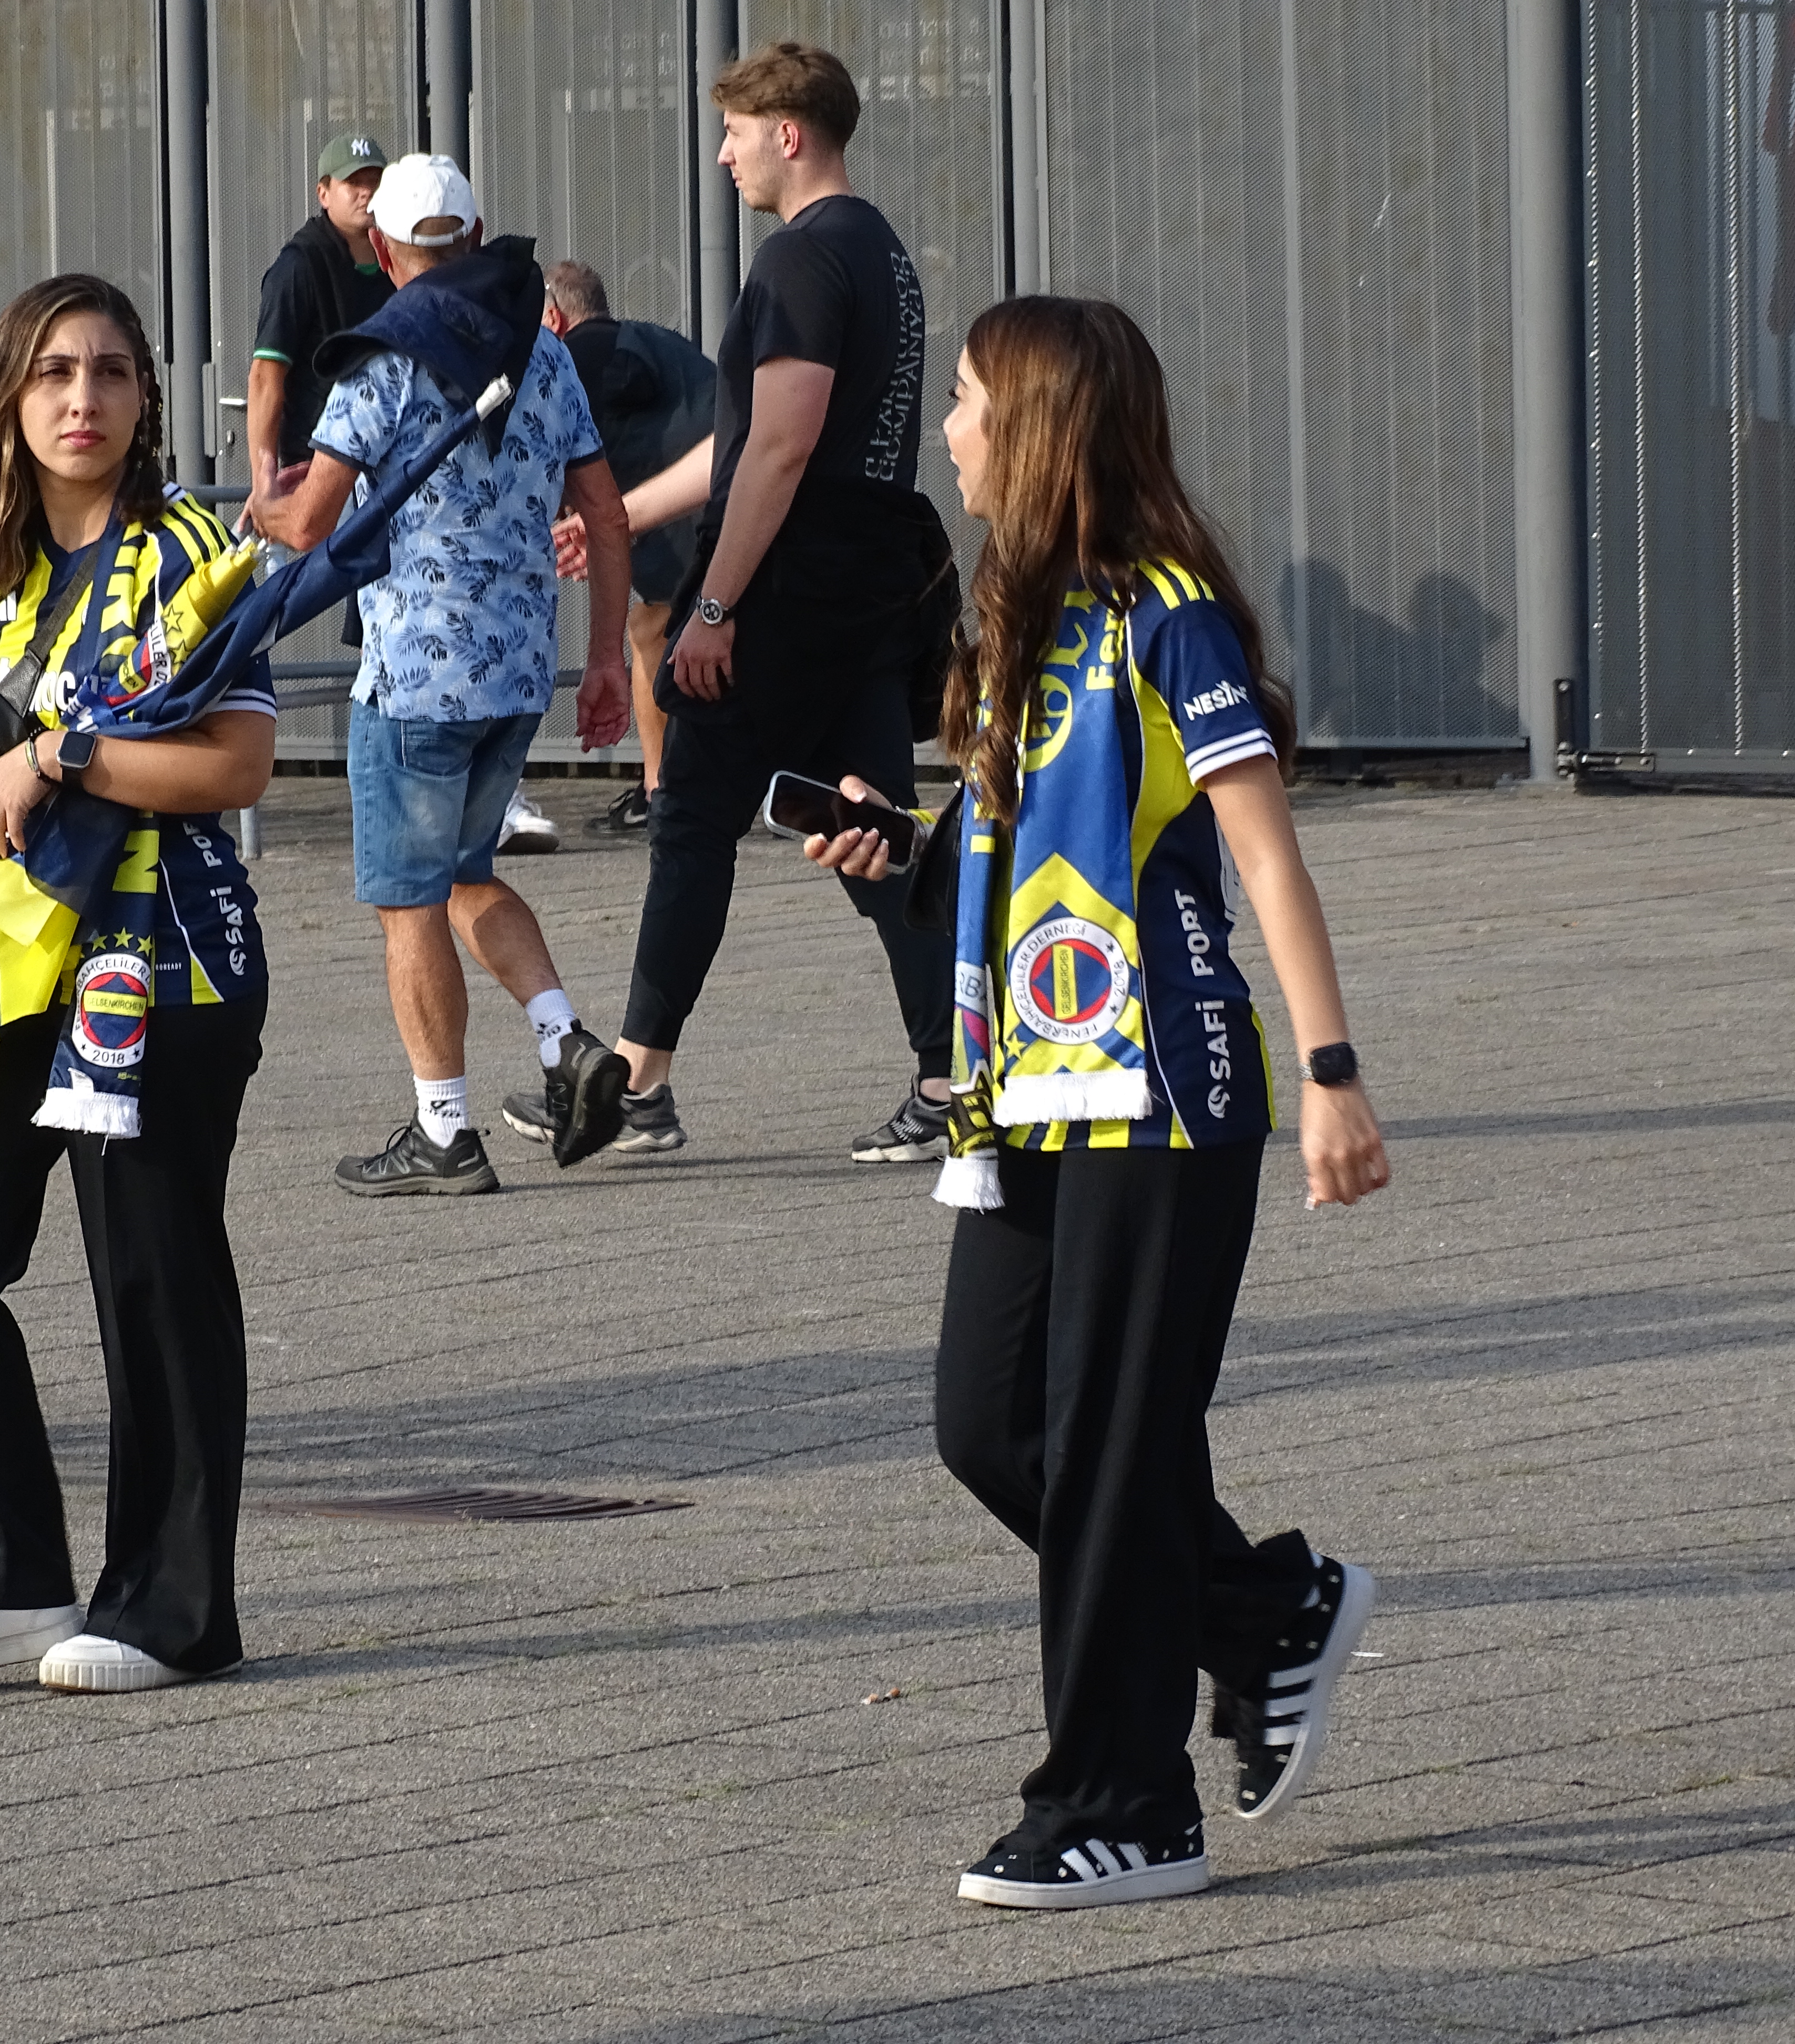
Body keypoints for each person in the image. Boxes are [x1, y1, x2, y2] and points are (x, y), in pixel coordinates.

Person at [804, 295, 1389, 1908]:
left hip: (1162, 1087)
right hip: (1028, 1093)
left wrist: (1335, 1078)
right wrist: (901, 843)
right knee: (992, 1425)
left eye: (975, 403)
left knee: (1118, 1448)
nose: (951, 432)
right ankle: (1261, 1613)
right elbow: (1028, 853)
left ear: (1047, 425)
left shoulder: (1166, 613)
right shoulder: (1017, 618)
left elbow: (1263, 850)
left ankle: (1124, 1805)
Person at [0, 274, 277, 1696]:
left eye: (107, 372)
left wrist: (74, 757)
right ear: (8, 406)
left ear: (146, 398)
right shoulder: (0, 572)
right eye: (50, 375)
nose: (80, 399)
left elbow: (234, 767)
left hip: (154, 966)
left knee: (149, 1277)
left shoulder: (193, 553)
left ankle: (171, 1608)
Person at [569, 45, 960, 1163]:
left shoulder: (797, 262)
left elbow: (779, 454)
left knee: (693, 814)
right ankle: (951, 1074)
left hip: (792, 587)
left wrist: (714, 610)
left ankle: (639, 1085)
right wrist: (624, 517)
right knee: (870, 823)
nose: (728, 153)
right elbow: (747, 445)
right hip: (869, 577)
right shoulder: (880, 252)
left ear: (791, 133)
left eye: (737, 131)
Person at [250, 155, 635, 1194]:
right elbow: (602, 510)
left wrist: (264, 511)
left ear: (384, 248)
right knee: (465, 874)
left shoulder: (383, 365)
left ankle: (443, 1131)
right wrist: (605, 660)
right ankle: (566, 1043)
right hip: (516, 677)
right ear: (474, 237)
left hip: (413, 685)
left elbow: (313, 518)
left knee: (409, 904)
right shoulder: (547, 357)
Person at [537, 258, 715, 835]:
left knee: (648, 630)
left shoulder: (563, 362)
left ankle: (660, 788)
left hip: (687, 513)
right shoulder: (657, 343)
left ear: (553, 317)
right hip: (736, 499)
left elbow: (559, 461)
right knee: (669, 625)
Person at [242, 132, 392, 498]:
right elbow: (266, 376)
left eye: (376, 182)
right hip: (317, 476)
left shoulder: (400, 257)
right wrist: (264, 480)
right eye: (353, 182)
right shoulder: (300, 265)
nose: (367, 192)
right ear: (323, 194)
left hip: (391, 472)